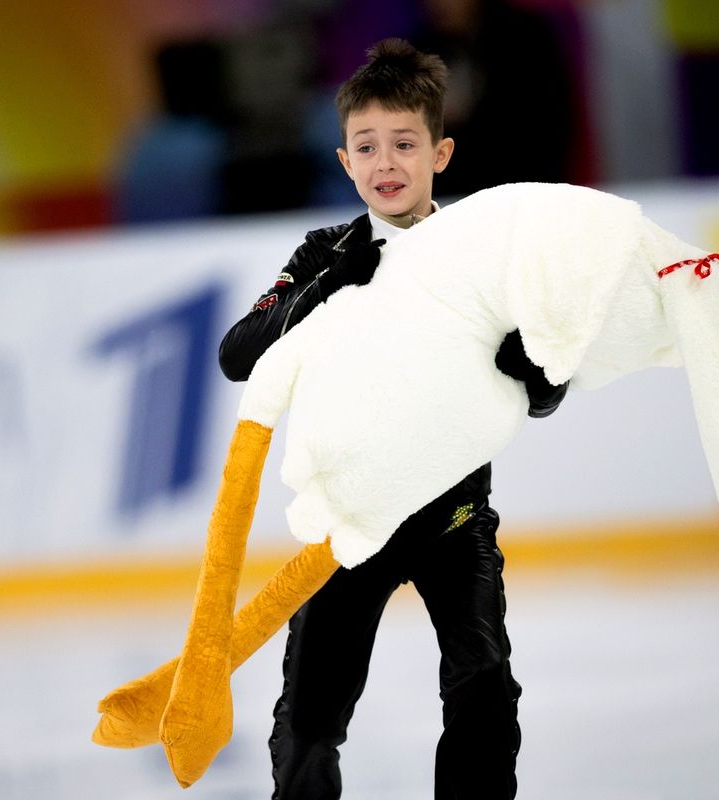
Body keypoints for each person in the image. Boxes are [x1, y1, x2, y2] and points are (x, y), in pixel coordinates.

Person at [217, 38, 567, 800]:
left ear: (440, 152)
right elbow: (237, 354)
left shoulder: (485, 257)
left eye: (404, 143)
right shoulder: (324, 253)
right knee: (309, 723)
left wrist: (534, 368)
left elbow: (542, 393)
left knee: (483, 690)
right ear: (344, 161)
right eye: (367, 146)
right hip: (350, 527)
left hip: (455, 519)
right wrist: (327, 289)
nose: (386, 162)